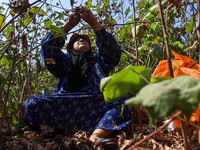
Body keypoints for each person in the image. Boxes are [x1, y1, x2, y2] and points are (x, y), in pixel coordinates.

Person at [24, 6, 133, 150]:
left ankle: (96, 137)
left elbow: (113, 52)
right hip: (67, 105)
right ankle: (57, 134)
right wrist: (69, 25)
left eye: (85, 40)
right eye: (77, 40)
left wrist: (93, 23)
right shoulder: (65, 62)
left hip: (97, 106)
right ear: (70, 48)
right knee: (32, 103)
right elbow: (48, 49)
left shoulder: (99, 62)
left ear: (91, 47)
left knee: (127, 98)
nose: (81, 40)